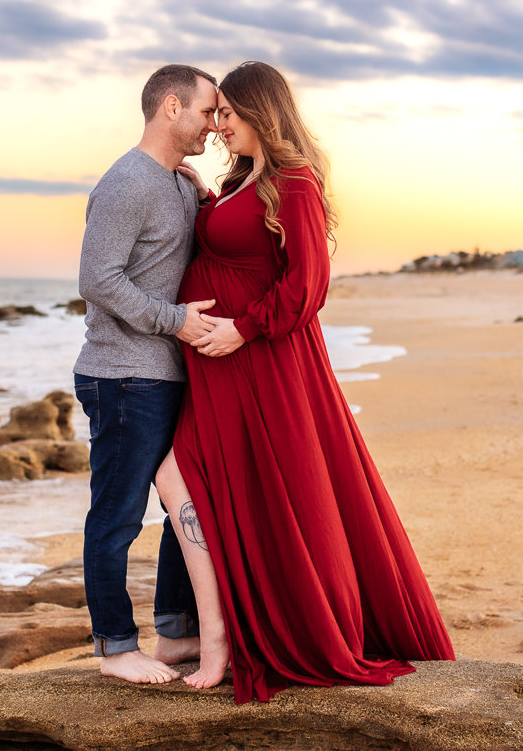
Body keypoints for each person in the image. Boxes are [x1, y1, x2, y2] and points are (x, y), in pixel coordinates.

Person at [153, 61, 455, 704]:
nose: (220, 125)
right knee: (188, 476)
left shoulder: (295, 182)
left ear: (264, 113)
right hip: (221, 370)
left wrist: (243, 328)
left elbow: (308, 286)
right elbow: (235, 249)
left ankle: (233, 635)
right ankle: (212, 631)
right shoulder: (242, 182)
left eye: (229, 113)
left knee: (252, 487)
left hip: (264, 364)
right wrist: (199, 194)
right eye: (217, 113)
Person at [73, 63, 220, 684]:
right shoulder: (125, 182)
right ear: (170, 106)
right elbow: (97, 279)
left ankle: (176, 633)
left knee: (182, 502)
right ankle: (114, 648)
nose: (216, 124)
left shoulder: (180, 184)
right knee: (117, 515)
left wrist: (206, 196)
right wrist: (176, 321)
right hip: (124, 377)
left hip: (165, 374)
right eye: (208, 111)